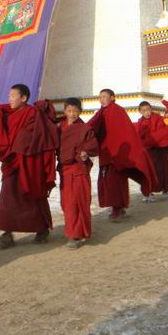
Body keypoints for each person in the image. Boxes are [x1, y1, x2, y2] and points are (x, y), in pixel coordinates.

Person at [0, 84, 58, 249]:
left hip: (30, 162)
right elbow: (2, 136)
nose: (10, 99)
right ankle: (7, 233)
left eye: (13, 96)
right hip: (12, 163)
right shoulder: (6, 114)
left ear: (24, 98)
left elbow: (35, 137)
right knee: (8, 196)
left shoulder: (33, 114)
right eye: (9, 95)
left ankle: (41, 228)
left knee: (34, 195)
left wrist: (18, 147)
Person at [87, 89, 157, 220]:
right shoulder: (101, 112)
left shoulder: (117, 111)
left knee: (116, 181)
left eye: (104, 96)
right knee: (109, 181)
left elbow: (123, 132)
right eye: (100, 97)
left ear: (112, 98)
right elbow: (91, 126)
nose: (101, 99)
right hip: (107, 152)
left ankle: (118, 208)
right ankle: (119, 207)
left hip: (117, 153)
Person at [57, 97, 98, 248]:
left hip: (78, 169)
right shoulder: (59, 127)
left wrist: (86, 153)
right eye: (69, 111)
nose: (72, 114)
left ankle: (75, 235)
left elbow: (93, 146)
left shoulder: (85, 129)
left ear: (80, 112)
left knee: (77, 202)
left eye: (75, 111)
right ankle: (76, 230)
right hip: (65, 171)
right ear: (65, 111)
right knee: (67, 203)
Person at [136, 101, 168, 198]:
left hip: (161, 150)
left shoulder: (160, 119)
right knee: (149, 171)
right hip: (149, 152)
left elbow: (167, 132)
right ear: (140, 111)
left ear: (151, 109)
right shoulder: (140, 123)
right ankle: (149, 192)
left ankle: (165, 189)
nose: (146, 112)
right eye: (144, 111)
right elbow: (138, 137)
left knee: (164, 170)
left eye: (148, 110)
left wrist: (153, 140)